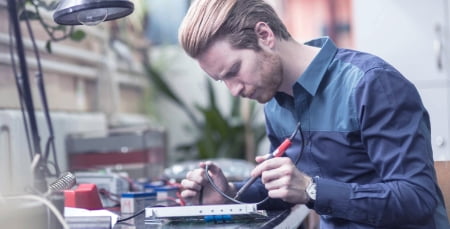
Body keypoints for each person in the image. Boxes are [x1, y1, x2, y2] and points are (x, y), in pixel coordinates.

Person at [177, 0, 450, 228]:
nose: (234, 90)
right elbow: (285, 189)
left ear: (264, 35)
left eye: (234, 70)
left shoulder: (371, 84)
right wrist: (230, 194)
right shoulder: (273, 103)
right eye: (221, 80)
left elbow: (418, 199)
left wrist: (312, 189)